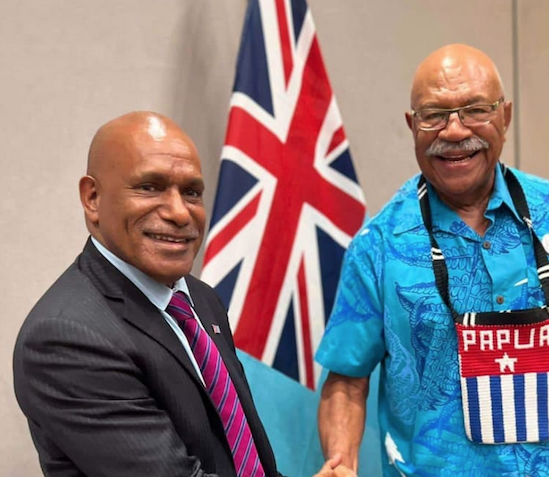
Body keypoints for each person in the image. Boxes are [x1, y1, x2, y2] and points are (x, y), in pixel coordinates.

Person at [315, 44, 549, 477]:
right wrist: (340, 461)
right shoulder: (379, 243)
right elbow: (347, 380)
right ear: (412, 125)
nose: (456, 131)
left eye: (475, 109)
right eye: (433, 115)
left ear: (506, 116)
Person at [13, 111, 353, 477]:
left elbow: (234, 459)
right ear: (93, 198)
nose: (179, 213)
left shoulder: (198, 299)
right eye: (150, 187)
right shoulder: (66, 338)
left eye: (191, 192)